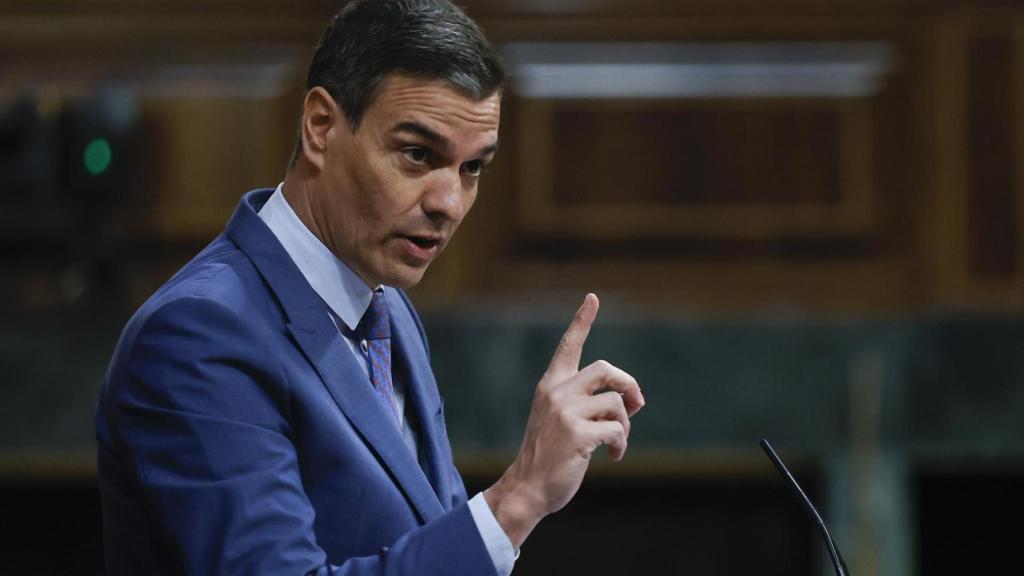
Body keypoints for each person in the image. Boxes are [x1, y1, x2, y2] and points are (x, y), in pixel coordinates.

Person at [95, 0, 645, 574]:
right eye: (416, 154)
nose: (449, 203)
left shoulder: (386, 307)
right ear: (320, 127)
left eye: (472, 167)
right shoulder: (198, 334)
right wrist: (519, 498)